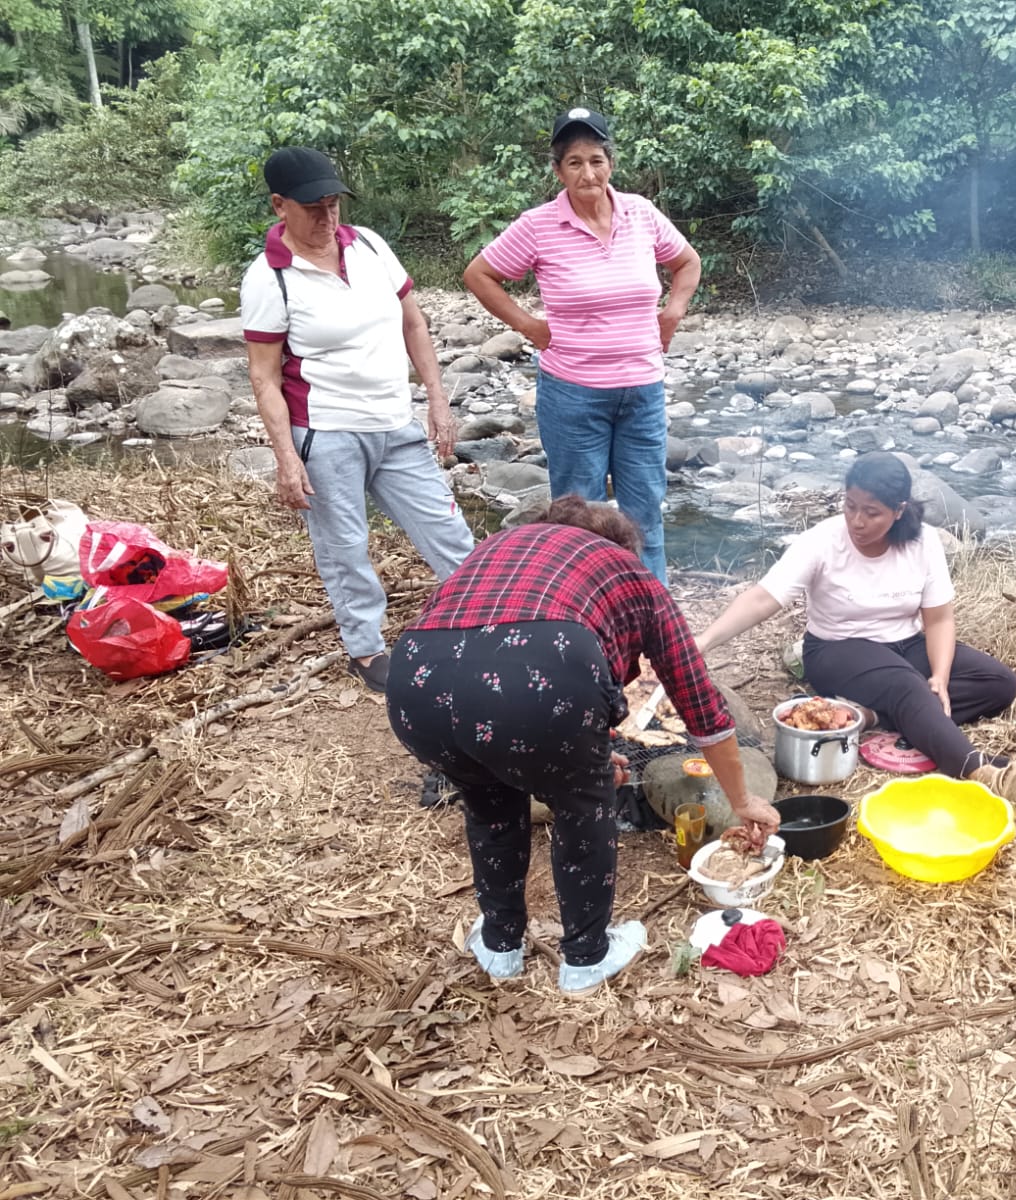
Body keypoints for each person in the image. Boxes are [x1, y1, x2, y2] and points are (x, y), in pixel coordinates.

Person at [387, 496, 780, 996]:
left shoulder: (497, 547)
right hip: (540, 679)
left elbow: (471, 645)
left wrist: (579, 750)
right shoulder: (627, 569)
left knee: (488, 803)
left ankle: (499, 946)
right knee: (583, 803)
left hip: (415, 686)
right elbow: (699, 701)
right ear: (619, 544)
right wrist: (741, 800)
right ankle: (585, 957)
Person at [242, 146, 475, 692]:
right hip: (326, 434)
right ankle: (366, 649)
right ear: (279, 206)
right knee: (345, 548)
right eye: (313, 208)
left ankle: (488, 617)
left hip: (395, 423)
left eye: (333, 204)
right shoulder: (269, 278)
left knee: (449, 532)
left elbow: (413, 324)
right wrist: (286, 458)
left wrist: (437, 399)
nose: (327, 218)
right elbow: (264, 376)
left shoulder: (369, 245)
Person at [695, 453, 1016, 807]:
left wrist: (939, 676)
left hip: (905, 645)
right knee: (907, 685)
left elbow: (939, 619)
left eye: (871, 512)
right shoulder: (823, 540)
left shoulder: (923, 541)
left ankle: (873, 716)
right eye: (850, 506)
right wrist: (704, 641)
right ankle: (978, 769)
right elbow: (762, 599)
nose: (856, 521)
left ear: (899, 510)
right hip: (837, 651)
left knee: (998, 683)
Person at [462, 108, 701, 584]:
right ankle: (583, 611)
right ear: (558, 170)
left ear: (610, 163)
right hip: (574, 394)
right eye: (574, 162)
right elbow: (479, 274)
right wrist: (528, 325)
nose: (587, 173)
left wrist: (673, 311)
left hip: (643, 392)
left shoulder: (641, 213)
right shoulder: (538, 225)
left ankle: (651, 607)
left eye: (596, 160)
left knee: (645, 516)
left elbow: (687, 262)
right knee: (577, 520)